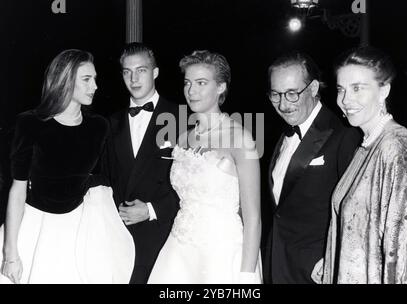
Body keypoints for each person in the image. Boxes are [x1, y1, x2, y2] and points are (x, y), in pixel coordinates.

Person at [0, 49, 135, 284]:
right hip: (35, 223)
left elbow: (103, 177)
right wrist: (10, 252)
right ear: (64, 80)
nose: (94, 86)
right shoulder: (31, 123)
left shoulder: (98, 126)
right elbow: (18, 189)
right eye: (86, 79)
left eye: (94, 79)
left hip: (81, 225)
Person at [147, 50, 262, 284]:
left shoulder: (241, 138)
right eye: (188, 83)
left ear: (220, 87)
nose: (191, 91)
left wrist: (246, 276)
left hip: (221, 250)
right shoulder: (182, 139)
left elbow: (254, 218)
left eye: (201, 83)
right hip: (179, 249)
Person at [316, 46, 407, 284]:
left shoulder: (397, 146)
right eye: (341, 89)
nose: (345, 100)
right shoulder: (366, 147)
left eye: (357, 88)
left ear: (384, 90)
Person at [264, 51, 360, 284]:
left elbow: (356, 212)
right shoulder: (284, 133)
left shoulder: (344, 134)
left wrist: (331, 259)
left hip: (316, 271)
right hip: (276, 263)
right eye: (275, 94)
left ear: (314, 88)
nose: (283, 104)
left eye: (292, 94)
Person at [101, 43, 179, 284]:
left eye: (141, 70)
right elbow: (105, 181)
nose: (134, 79)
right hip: (121, 237)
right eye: (127, 71)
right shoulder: (110, 123)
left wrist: (151, 210)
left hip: (166, 236)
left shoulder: (182, 117)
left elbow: (196, 185)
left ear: (155, 72)